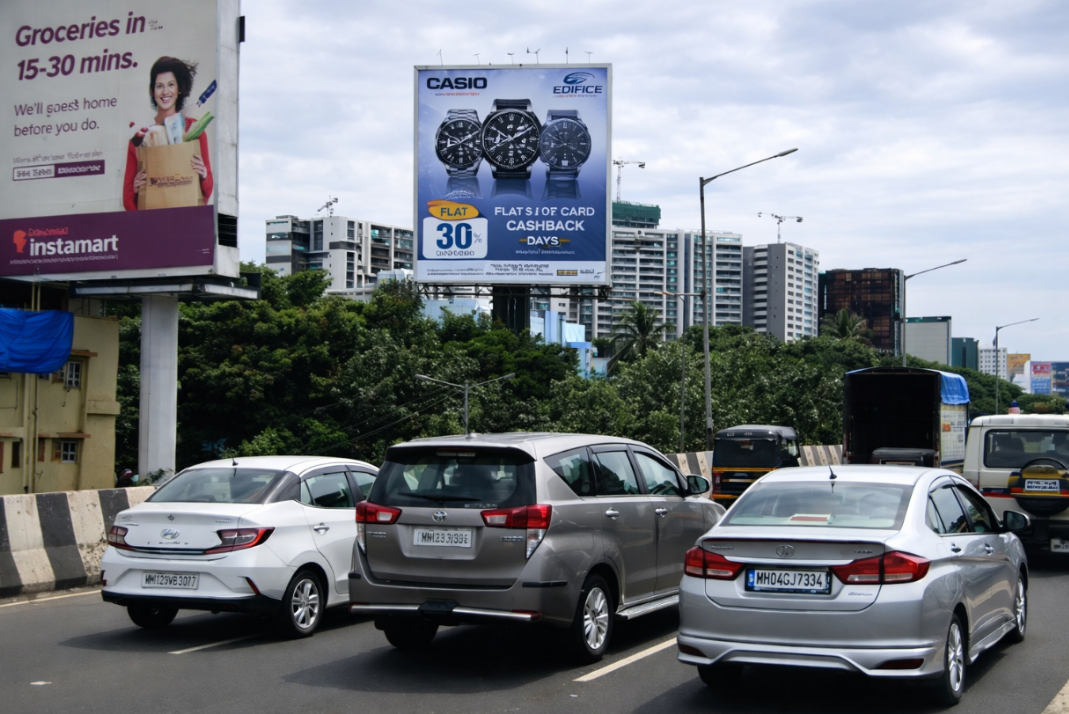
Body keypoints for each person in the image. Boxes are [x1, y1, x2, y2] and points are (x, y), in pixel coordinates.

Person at [122, 56, 213, 210]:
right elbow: (128, 200)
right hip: (152, 224)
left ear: (179, 89)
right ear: (152, 91)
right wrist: (136, 188)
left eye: (171, 85)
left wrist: (203, 173)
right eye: (159, 86)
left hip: (186, 222)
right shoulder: (140, 137)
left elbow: (207, 190)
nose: (165, 91)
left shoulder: (195, 131)